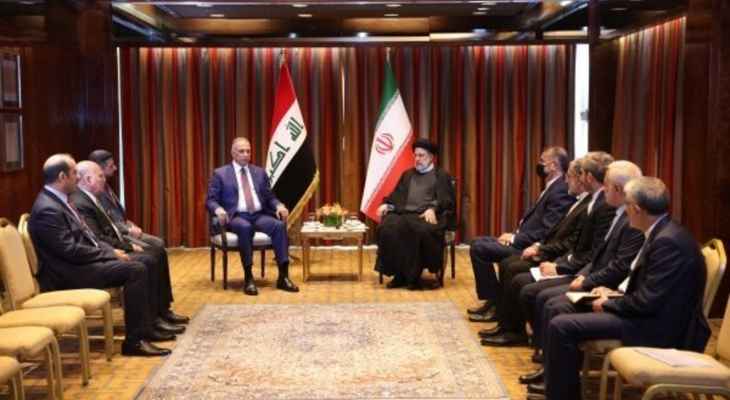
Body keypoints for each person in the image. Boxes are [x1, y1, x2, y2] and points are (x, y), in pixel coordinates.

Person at [532, 176, 709, 400]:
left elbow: (647, 302)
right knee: (561, 308)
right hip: (649, 314)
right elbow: (648, 291)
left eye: (627, 205)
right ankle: (557, 385)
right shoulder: (663, 231)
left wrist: (609, 303)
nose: (625, 211)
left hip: (658, 327)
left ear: (636, 209)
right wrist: (613, 294)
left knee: (562, 326)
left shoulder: (667, 242)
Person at [28, 154, 171, 357]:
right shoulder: (47, 209)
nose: (78, 177)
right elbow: (70, 250)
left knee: (145, 260)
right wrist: (109, 253)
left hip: (79, 263)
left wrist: (109, 252)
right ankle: (134, 342)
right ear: (62, 177)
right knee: (135, 269)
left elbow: (88, 237)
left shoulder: (60, 200)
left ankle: (148, 327)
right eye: (74, 173)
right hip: (67, 273)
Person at [478, 159, 590, 345]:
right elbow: (559, 234)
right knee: (508, 264)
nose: (566, 181)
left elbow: (572, 243)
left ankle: (514, 331)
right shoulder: (582, 201)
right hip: (549, 251)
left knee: (515, 271)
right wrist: (540, 247)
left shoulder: (587, 204)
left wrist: (548, 256)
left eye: (569, 177)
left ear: (582, 178)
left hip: (562, 261)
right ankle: (503, 320)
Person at [71, 161, 188, 336]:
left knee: (157, 251)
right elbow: (98, 237)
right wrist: (127, 246)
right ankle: (151, 321)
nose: (104, 179)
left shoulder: (92, 197)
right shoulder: (81, 202)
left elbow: (108, 229)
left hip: (115, 243)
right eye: (100, 176)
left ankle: (162, 311)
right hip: (105, 252)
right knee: (149, 258)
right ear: (88, 179)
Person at [468, 146, 575, 322]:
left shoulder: (560, 190)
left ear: (554, 165)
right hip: (523, 239)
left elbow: (546, 231)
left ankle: (495, 302)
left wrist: (515, 238)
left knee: (480, 249)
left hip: (529, 246)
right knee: (477, 242)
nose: (539, 164)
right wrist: (514, 235)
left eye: (542, 161)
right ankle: (493, 300)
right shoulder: (552, 186)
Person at [206, 137, 298, 296]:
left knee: (279, 226)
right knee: (245, 227)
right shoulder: (221, 174)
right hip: (236, 216)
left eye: (248, 151)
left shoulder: (259, 172)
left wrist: (279, 205)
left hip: (259, 215)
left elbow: (270, 197)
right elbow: (210, 200)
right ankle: (249, 278)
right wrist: (218, 209)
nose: (246, 154)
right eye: (241, 151)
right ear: (233, 153)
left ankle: (283, 277)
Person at [375, 138, 455, 290]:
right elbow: (397, 195)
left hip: (426, 216)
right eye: (416, 155)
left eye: (421, 155)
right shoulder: (408, 175)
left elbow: (446, 200)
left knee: (420, 231)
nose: (417, 159)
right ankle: (399, 274)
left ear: (431, 157)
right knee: (388, 228)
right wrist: (387, 204)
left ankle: (413, 277)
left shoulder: (441, 175)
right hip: (404, 214)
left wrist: (432, 208)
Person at [88, 149, 166, 250]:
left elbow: (118, 216)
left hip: (125, 228)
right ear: (100, 168)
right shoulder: (96, 192)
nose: (115, 168)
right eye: (111, 166)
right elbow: (108, 222)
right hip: (118, 234)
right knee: (151, 249)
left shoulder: (107, 186)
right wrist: (129, 230)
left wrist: (131, 225)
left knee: (159, 243)